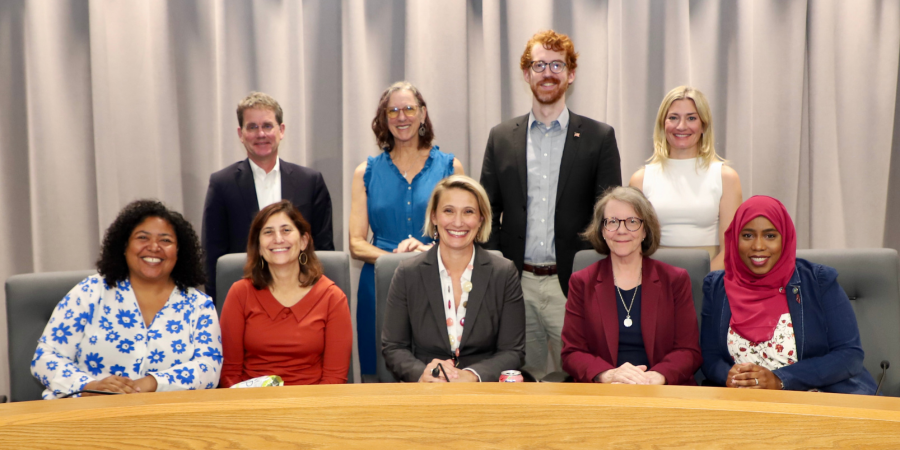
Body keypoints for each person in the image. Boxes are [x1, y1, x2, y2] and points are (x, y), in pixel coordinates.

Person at [480, 30, 622, 379]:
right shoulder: (501, 137)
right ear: (526, 73)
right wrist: (500, 270)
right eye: (539, 65)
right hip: (516, 284)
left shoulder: (599, 137)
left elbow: (610, 215)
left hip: (574, 285)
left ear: (571, 74)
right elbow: (486, 211)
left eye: (557, 65)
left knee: (578, 382)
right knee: (518, 381)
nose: (548, 73)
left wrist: (589, 272)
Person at [32, 200, 222, 399]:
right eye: (142, 238)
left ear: (179, 251)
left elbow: (209, 367)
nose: (154, 247)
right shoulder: (89, 292)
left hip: (164, 413)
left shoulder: (199, 305)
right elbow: (45, 358)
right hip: (87, 410)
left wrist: (151, 383)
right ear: (124, 246)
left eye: (165, 240)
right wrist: (90, 386)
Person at [700, 196, 876, 394]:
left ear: (785, 238)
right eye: (748, 235)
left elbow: (849, 355)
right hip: (743, 401)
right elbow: (709, 356)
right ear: (735, 239)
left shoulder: (818, 282)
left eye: (770, 236)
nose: (758, 246)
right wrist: (728, 375)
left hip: (815, 398)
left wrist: (780, 379)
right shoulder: (717, 287)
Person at [350, 81, 464, 375]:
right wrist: (395, 260)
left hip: (438, 281)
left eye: (409, 109)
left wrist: (425, 253)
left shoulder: (451, 168)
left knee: (439, 371)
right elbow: (356, 244)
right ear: (384, 118)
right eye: (393, 111)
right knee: (379, 375)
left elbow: (464, 231)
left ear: (423, 114)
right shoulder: (365, 172)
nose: (402, 117)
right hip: (379, 284)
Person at [382, 175, 525, 382]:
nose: (458, 222)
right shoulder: (407, 273)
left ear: (481, 219)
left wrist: (473, 375)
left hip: (483, 390)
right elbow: (394, 347)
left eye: (468, 212)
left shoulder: (504, 273)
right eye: (448, 211)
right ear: (434, 217)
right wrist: (422, 374)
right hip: (427, 390)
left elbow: (513, 351)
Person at [202, 92, 334, 305]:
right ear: (241, 133)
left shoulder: (310, 181)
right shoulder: (222, 184)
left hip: (303, 296)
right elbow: (212, 257)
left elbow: (324, 250)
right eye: (252, 127)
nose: (261, 133)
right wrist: (218, 307)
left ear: (281, 130)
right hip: (244, 299)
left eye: (267, 126)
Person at [561, 187, 702, 384]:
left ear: (645, 230)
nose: (621, 230)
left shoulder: (675, 280)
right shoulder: (582, 281)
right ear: (602, 230)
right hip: (605, 390)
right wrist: (608, 375)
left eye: (632, 222)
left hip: (660, 389)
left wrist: (657, 377)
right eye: (612, 222)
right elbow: (572, 352)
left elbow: (688, 350)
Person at [220, 200, 352, 386]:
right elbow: (229, 372)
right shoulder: (240, 294)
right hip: (252, 400)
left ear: (304, 241)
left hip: (312, 400)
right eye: (268, 232)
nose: (278, 239)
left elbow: (334, 377)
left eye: (286, 230)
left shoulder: (332, 297)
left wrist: (310, 404)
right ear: (258, 246)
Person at [629, 86, 742, 272]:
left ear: (703, 125)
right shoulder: (640, 180)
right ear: (663, 124)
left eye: (691, 118)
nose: (681, 126)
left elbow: (730, 251)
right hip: (656, 277)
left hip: (710, 277)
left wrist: (701, 281)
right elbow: (632, 247)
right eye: (673, 118)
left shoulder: (726, 178)